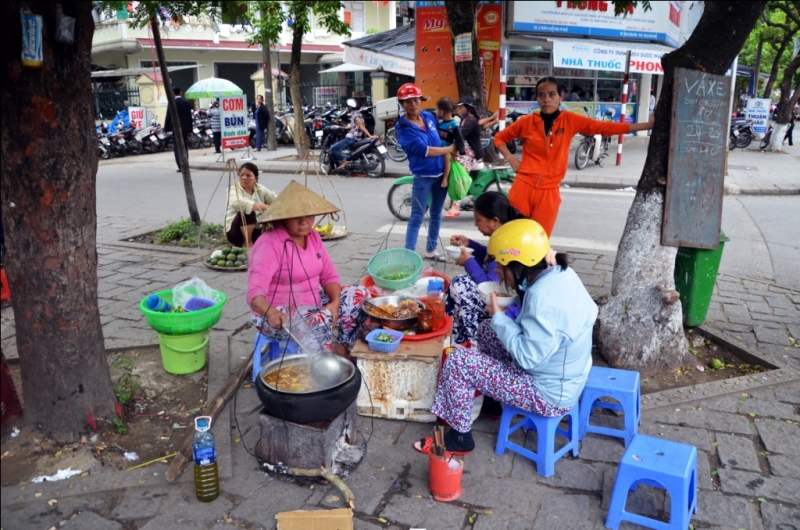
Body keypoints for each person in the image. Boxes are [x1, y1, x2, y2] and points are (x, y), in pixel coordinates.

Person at [415, 219, 597, 454]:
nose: (498, 272)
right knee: (488, 330)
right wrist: (498, 320)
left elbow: (527, 359)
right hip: (563, 374)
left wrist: (501, 318)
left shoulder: (543, 298)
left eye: (502, 266)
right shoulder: (559, 272)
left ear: (521, 266)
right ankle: (492, 402)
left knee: (459, 362)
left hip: (548, 393)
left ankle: (459, 438)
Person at [493, 76, 655, 236]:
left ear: (560, 97)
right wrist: (511, 159)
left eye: (551, 94)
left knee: (538, 241)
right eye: (541, 95)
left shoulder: (569, 120)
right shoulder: (526, 122)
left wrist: (646, 126)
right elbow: (499, 138)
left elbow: (604, 127)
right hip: (523, 186)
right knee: (513, 235)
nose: (546, 100)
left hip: (549, 192)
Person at [246, 181, 370, 358]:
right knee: (320, 318)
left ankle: (342, 348)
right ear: (282, 217)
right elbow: (254, 294)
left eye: (308, 215)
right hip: (274, 315)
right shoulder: (269, 244)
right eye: (296, 216)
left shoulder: (312, 237)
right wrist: (271, 312)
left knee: (360, 294)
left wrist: (334, 303)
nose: (304, 221)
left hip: (314, 306)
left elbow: (329, 275)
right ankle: (320, 368)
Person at [445, 192, 522, 346]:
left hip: (509, 306)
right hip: (509, 300)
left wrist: (469, 261)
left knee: (460, 285)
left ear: (494, 221)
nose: (475, 224)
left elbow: (490, 285)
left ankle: (473, 342)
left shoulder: (506, 242)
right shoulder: (505, 234)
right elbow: (490, 257)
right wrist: (470, 244)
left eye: (478, 219)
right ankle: (458, 337)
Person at [395, 83, 458, 262]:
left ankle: (431, 250)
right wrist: (450, 149)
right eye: (407, 102)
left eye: (415, 100)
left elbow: (445, 131)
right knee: (417, 217)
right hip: (423, 177)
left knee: (437, 214)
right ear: (401, 104)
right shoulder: (403, 128)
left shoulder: (429, 117)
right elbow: (425, 150)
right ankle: (409, 257)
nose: (413, 104)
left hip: (441, 176)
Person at [446, 96, 493, 218]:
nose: (458, 110)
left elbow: (460, 135)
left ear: (468, 108)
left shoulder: (470, 121)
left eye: (461, 107)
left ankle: (455, 206)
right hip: (465, 153)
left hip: (470, 156)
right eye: (458, 107)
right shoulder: (466, 120)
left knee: (458, 176)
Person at [225, 162, 277, 247]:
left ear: (255, 178)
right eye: (241, 175)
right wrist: (265, 207)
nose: (244, 178)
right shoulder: (233, 190)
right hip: (235, 233)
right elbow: (238, 203)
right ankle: (247, 243)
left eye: (248, 175)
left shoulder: (260, 188)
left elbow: (275, 200)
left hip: (256, 229)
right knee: (248, 212)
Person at [328, 98, 375, 172]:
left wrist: (370, 135)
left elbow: (361, 126)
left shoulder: (354, 114)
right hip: (356, 137)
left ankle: (344, 161)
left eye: (348, 106)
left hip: (351, 138)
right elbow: (355, 125)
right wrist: (344, 127)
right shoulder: (359, 113)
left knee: (333, 148)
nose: (347, 108)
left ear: (350, 107)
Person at [435, 97, 465, 195]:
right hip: (439, 148)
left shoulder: (454, 124)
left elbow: (459, 139)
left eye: (437, 110)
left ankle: (445, 179)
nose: (436, 111)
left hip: (447, 149)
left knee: (446, 158)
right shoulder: (440, 123)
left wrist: (460, 152)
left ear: (442, 112)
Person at [163, 87, 194, 172]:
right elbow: (189, 117)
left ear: (173, 93)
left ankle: (180, 166)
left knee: (177, 147)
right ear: (181, 92)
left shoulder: (171, 103)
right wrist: (191, 130)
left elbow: (168, 116)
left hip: (176, 128)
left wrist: (165, 129)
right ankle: (185, 165)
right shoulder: (187, 103)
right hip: (185, 128)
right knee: (185, 146)